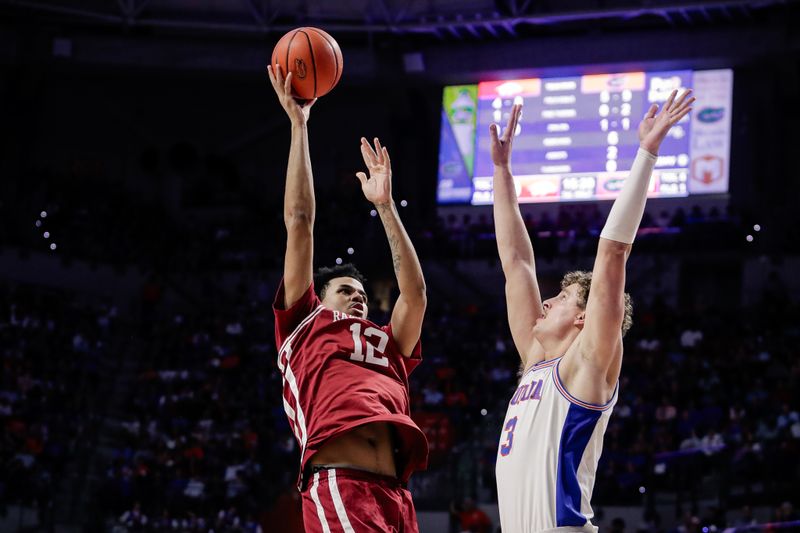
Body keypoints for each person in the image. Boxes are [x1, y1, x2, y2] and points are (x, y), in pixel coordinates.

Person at [491, 90, 694, 532]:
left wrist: (647, 153)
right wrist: (502, 171)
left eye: (562, 298)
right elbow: (517, 264)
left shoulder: (586, 366)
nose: (545, 302)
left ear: (584, 318)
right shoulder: (535, 359)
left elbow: (614, 252)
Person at [267, 64, 429, 532]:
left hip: (397, 495)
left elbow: (414, 295)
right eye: (345, 291)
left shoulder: (388, 344)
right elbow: (299, 221)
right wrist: (299, 127)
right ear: (318, 298)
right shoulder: (304, 324)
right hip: (342, 484)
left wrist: (385, 207)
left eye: (361, 294)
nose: (358, 300)